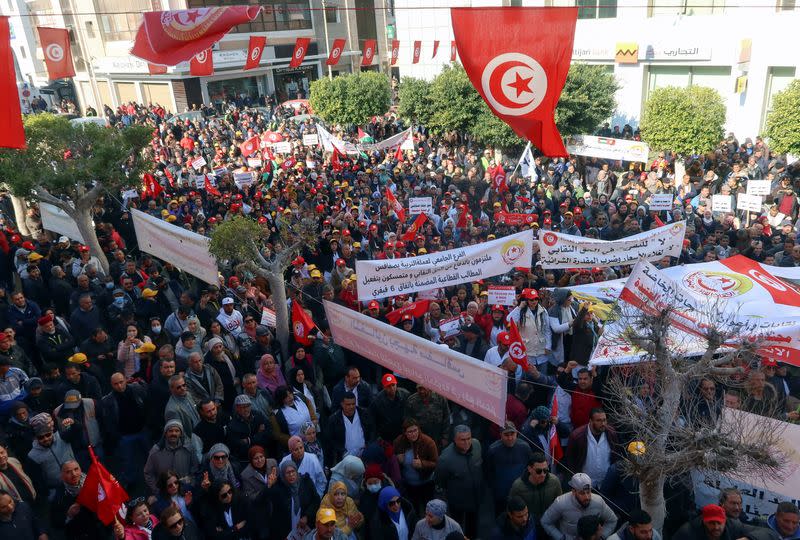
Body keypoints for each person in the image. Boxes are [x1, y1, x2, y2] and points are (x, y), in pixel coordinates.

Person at [101, 372, 149, 488]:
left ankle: (155, 475)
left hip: (142, 430)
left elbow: (146, 404)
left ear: (126, 380)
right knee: (127, 461)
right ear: (111, 385)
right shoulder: (108, 400)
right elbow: (108, 421)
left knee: (150, 455)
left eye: (121, 382)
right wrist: (117, 435)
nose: (119, 386)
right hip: (125, 435)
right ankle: (130, 481)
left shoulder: (137, 389)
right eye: (116, 384)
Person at [434, 425, 483, 539]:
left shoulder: (476, 445)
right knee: (457, 527)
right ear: (455, 440)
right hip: (457, 502)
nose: (467, 442)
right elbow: (440, 482)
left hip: (476, 498)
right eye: (462, 439)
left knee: (473, 526)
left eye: (468, 438)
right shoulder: (445, 459)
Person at [540, 473, 618, 540]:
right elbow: (545, 521)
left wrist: (602, 537)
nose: (587, 497)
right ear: (574, 491)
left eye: (589, 492)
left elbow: (612, 520)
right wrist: (561, 538)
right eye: (582, 493)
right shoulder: (560, 503)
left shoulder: (598, 502)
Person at [257, 460, 320, 540]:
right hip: (284, 531)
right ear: (283, 474)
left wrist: (307, 516)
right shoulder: (278, 487)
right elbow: (259, 501)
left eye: (293, 471)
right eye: (288, 473)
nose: (291, 475)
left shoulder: (306, 482)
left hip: (304, 528)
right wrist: (268, 486)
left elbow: (316, 500)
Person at [51, 460, 107, 540]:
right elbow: (56, 523)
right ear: (62, 476)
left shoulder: (92, 482)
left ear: (80, 469)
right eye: (68, 472)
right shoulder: (58, 497)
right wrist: (69, 515)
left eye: (76, 469)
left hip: (101, 530)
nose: (74, 474)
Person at [485, 422, 533, 514]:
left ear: (517, 433)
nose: (510, 438)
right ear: (500, 435)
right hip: (501, 495)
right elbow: (488, 473)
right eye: (506, 435)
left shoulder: (525, 447)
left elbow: (529, 469)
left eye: (512, 434)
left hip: (521, 493)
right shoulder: (493, 450)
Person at [564, 407, 619, 486]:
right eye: (598, 420)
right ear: (590, 421)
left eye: (604, 420)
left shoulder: (611, 434)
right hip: (585, 483)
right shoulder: (577, 436)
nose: (603, 423)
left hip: (606, 482)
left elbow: (616, 456)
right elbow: (570, 460)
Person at [143, 419, 200, 495]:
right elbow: (148, 473)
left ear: (181, 433)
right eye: (170, 431)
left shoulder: (189, 448)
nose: (174, 433)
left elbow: (195, 469)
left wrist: (190, 483)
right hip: (165, 495)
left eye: (177, 431)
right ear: (165, 433)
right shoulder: (156, 451)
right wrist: (157, 491)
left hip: (185, 492)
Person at [509, 452, 562, 531]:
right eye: (538, 471)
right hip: (529, 527)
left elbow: (559, 504)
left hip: (550, 525)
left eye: (545, 470)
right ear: (529, 469)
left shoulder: (554, 482)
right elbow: (512, 509)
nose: (543, 474)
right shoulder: (518, 486)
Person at [325, 392, 375, 466]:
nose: (351, 407)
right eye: (348, 404)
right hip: (345, 460)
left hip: (364, 457)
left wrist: (368, 447)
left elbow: (372, 431)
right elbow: (330, 440)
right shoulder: (334, 420)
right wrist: (341, 452)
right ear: (342, 404)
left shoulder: (364, 413)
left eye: (353, 404)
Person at [673, 503, 763, 540]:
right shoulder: (686, 533)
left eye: (719, 523)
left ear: (725, 521)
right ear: (704, 521)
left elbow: (769, 533)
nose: (716, 527)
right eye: (711, 523)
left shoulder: (733, 526)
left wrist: (749, 538)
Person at [370, 373, 410, 442]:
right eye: (388, 386)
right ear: (384, 387)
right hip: (387, 438)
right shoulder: (377, 401)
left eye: (393, 385)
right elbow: (373, 420)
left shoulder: (405, 395)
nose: (391, 388)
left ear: (396, 384)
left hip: (404, 435)